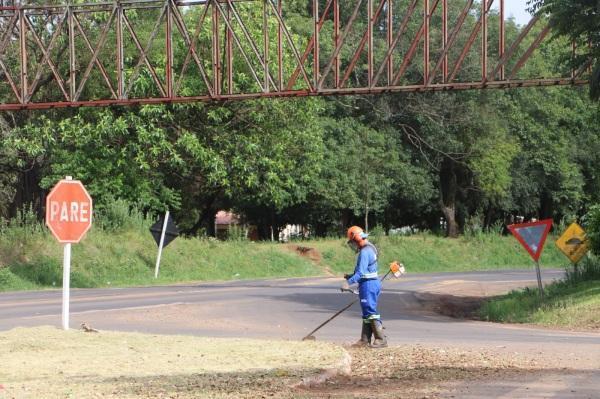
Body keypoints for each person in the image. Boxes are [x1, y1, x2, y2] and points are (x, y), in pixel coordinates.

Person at [342, 225, 387, 348]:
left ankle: (381, 339)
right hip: (371, 283)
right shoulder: (370, 248)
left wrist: (348, 283)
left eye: (352, 241)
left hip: (368, 285)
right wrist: (350, 276)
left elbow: (361, 273)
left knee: (371, 311)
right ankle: (364, 340)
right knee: (367, 312)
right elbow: (366, 270)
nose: (353, 245)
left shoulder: (364, 252)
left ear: (356, 238)